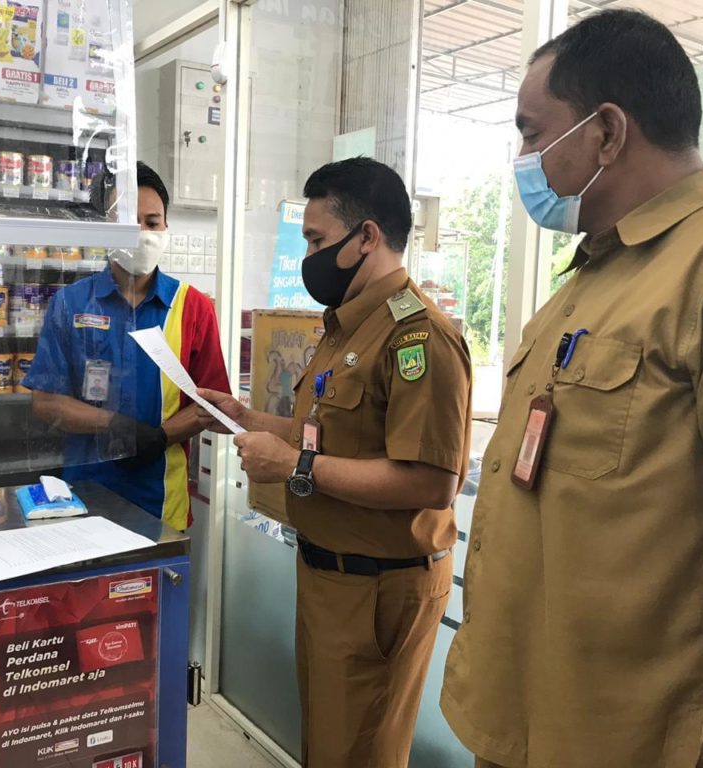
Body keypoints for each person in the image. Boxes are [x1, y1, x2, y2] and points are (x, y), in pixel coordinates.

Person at [440, 10, 703, 768]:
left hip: (627, 740)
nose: (524, 158)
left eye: (532, 133)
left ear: (606, 132)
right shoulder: (595, 273)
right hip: (527, 713)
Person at [197, 157, 472, 767]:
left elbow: (432, 482)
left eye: (318, 240)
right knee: (329, 747)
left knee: (361, 754)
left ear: (366, 236)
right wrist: (246, 417)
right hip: (332, 575)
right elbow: (324, 438)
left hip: (380, 586)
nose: (310, 257)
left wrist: (294, 466)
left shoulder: (417, 335)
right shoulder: (347, 328)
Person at [24, 162, 229, 531]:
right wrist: (114, 425)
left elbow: (212, 403)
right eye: (129, 223)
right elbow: (46, 401)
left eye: (152, 222)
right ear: (105, 227)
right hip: (81, 500)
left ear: (165, 227)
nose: (143, 234)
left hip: (162, 503)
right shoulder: (71, 303)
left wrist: (159, 438)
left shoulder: (193, 307)